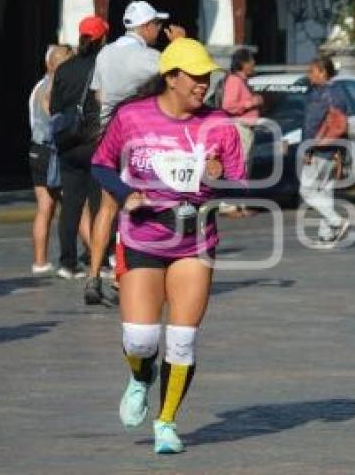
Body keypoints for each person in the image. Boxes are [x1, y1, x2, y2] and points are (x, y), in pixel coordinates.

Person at [90, 38, 243, 454]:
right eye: (195, 76)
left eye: (207, 76)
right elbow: (101, 164)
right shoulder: (132, 117)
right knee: (140, 339)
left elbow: (238, 179)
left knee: (182, 340)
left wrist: (217, 174)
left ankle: (166, 422)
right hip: (142, 235)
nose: (203, 84)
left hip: (195, 240)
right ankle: (141, 377)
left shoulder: (220, 124)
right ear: (171, 77)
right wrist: (126, 194)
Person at [85, 1, 185, 305]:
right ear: (144, 27)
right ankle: (124, 276)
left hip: (107, 135)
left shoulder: (105, 53)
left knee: (107, 208)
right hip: (139, 137)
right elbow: (181, 81)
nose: (158, 29)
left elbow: (98, 94)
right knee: (137, 206)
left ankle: (92, 276)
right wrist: (179, 44)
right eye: (155, 24)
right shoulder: (150, 57)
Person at [49, 16, 109, 284]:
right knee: (99, 205)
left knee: (71, 204)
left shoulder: (64, 68)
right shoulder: (104, 67)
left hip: (68, 143)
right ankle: (98, 258)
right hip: (96, 142)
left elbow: (54, 108)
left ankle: (66, 262)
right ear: (102, 38)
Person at [28, 44, 73, 274]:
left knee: (45, 207)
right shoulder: (54, 87)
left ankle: (40, 261)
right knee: (75, 205)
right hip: (51, 152)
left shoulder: (38, 86)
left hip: (36, 150)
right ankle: (97, 258)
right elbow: (54, 120)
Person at [299, 56, 350, 247]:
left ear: (323, 72)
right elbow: (343, 125)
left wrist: (307, 147)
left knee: (306, 190)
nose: (309, 75)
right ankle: (326, 234)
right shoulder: (339, 92)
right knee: (325, 191)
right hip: (334, 149)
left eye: (312, 71)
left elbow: (311, 124)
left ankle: (336, 222)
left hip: (319, 148)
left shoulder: (320, 94)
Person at [219, 47, 264, 216]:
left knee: (245, 167)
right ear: (243, 63)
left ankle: (240, 204)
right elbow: (228, 105)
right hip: (239, 127)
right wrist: (252, 102)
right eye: (251, 61)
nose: (253, 64)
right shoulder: (234, 80)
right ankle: (228, 205)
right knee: (237, 165)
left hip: (247, 128)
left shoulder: (243, 81)